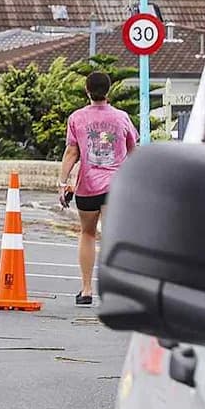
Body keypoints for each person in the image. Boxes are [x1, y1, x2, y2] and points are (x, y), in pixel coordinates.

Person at [58, 71, 138, 306]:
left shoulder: (76, 118)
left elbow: (72, 152)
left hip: (87, 186)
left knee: (88, 234)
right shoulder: (122, 118)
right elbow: (133, 150)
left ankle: (86, 289)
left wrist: (63, 183)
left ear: (87, 90)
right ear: (109, 90)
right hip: (116, 185)